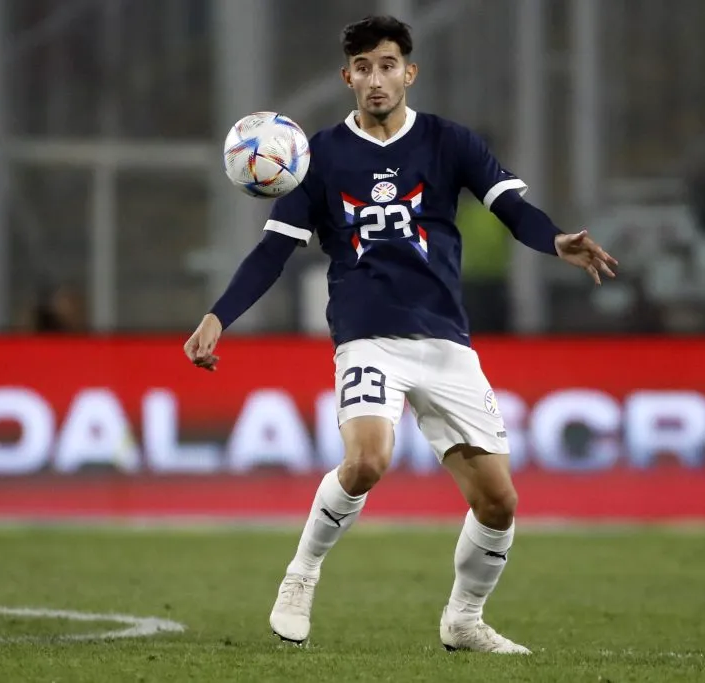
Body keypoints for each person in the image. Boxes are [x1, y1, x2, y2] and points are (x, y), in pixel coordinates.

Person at [182, 16, 617, 654]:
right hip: (367, 336)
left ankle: (463, 620)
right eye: (363, 68)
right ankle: (301, 575)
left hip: (445, 343)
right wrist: (219, 316)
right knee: (367, 459)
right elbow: (272, 252)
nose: (376, 79)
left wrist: (553, 239)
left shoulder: (449, 142)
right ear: (347, 77)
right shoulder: (320, 158)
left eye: (388, 65)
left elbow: (510, 208)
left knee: (499, 504)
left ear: (409, 72)